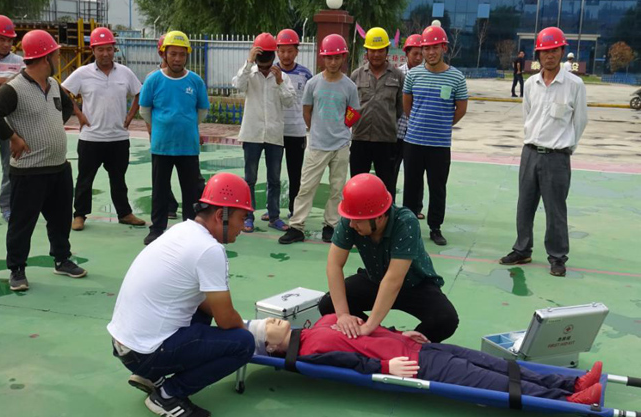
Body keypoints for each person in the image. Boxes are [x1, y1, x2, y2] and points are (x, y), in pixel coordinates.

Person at [108, 172, 255, 417]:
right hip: (146, 352)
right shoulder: (209, 249)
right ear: (221, 215)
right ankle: (168, 395)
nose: (243, 227)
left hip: (126, 345)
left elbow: (210, 305)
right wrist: (251, 332)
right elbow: (226, 319)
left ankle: (151, 377)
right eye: (242, 218)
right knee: (243, 344)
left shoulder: (183, 230)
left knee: (203, 305)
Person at [247, 314, 604, 405]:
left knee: (493, 364)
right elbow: (351, 364)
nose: (272, 321)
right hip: (415, 366)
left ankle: (571, 382)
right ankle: (568, 401)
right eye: (267, 329)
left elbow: (368, 328)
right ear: (271, 349)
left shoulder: (323, 322)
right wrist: (386, 368)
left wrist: (400, 332)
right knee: (489, 382)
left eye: (270, 320)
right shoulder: (308, 355)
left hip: (416, 346)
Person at [0, 30, 87, 291]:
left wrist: (51, 127)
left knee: (60, 220)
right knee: (22, 224)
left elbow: (65, 107)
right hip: (28, 171)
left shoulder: (53, 84)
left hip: (58, 168)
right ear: (46, 57)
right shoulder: (14, 88)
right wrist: (13, 137)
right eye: (55, 54)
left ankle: (62, 259)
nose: (57, 58)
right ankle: (17, 269)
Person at [318, 173, 458, 343]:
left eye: (358, 221)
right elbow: (334, 265)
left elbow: (393, 280)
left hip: (414, 285)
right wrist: (343, 316)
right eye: (351, 220)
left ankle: (406, 344)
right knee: (328, 304)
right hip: (375, 279)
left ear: (379, 217)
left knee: (446, 319)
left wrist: (369, 327)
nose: (352, 225)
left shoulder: (405, 222)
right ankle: (381, 339)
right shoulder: (351, 220)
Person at [499, 27, 588, 277]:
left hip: (557, 156)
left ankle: (557, 257)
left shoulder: (574, 85)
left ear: (562, 51)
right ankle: (522, 249)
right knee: (524, 205)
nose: (549, 55)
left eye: (554, 50)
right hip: (530, 153)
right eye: (545, 51)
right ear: (538, 54)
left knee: (555, 209)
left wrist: (566, 147)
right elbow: (528, 116)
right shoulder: (531, 84)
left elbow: (580, 121)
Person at [279, 34, 360, 245]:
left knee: (337, 188)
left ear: (343, 57)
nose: (333, 62)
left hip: (341, 145)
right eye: (329, 57)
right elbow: (307, 111)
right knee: (306, 187)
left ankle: (331, 225)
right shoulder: (313, 84)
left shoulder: (349, 86)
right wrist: (317, 128)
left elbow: (354, 112)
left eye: (337, 57)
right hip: (317, 144)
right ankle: (297, 226)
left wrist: (341, 127)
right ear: (322, 58)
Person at [61, 27, 145, 231]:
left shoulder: (125, 73)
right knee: (85, 179)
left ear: (114, 49)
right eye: (100, 49)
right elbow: (63, 91)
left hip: (118, 137)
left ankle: (124, 213)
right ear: (93, 50)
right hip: (91, 138)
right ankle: (79, 215)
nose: (105, 54)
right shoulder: (83, 73)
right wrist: (79, 114)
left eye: (109, 49)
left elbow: (139, 93)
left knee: (119, 179)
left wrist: (130, 115)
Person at [139, 30, 210, 245]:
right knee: (160, 190)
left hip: (188, 146)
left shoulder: (195, 81)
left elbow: (202, 111)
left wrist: (188, 125)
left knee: (191, 192)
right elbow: (145, 110)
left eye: (181, 54)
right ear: (164, 54)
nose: (177, 59)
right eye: (173, 54)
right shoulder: (153, 80)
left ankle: (191, 229)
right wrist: (161, 127)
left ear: (187, 55)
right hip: (162, 145)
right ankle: (157, 229)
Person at [402, 26, 468, 246]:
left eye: (435, 47)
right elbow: (407, 105)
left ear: (444, 48)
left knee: (437, 188)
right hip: (413, 142)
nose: (430, 52)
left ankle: (435, 227)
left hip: (439, 145)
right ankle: (409, 226)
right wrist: (419, 122)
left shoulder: (456, 77)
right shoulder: (413, 75)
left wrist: (442, 124)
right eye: (427, 48)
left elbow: (461, 109)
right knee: (411, 187)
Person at [233, 32, 296, 233]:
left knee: (274, 179)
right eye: (261, 63)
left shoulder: (282, 77)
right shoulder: (249, 74)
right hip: (252, 134)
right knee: (249, 178)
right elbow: (237, 85)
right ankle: (248, 217)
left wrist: (279, 83)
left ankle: (274, 216)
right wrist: (249, 62)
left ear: (273, 57)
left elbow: (290, 101)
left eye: (267, 63)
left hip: (274, 135)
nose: (264, 68)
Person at [349, 27, 404, 199]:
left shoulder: (398, 76)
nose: (376, 54)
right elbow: (350, 107)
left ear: (387, 51)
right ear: (366, 52)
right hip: (360, 139)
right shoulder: (356, 75)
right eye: (372, 50)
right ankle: (357, 215)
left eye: (380, 50)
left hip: (386, 141)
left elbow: (400, 108)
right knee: (357, 186)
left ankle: (388, 215)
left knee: (387, 187)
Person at [0, 15, 24, 222]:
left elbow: (19, 88)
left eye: (10, 40)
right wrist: (7, 83)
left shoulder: (19, 62)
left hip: (9, 121)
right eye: (2, 39)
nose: (6, 44)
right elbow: (10, 87)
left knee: (10, 166)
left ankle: (7, 207)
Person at [276, 28, 313, 219]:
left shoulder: (305, 74)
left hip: (297, 131)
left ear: (297, 51)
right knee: (273, 174)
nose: (286, 55)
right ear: (277, 51)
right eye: (282, 51)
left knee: (295, 173)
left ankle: (294, 208)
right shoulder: (271, 71)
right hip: (275, 131)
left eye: (290, 51)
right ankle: (272, 210)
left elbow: (311, 102)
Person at [396, 34, 423, 217]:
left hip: (417, 134)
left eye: (421, 54)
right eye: (415, 54)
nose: (419, 58)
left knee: (415, 174)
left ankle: (414, 208)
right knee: (391, 171)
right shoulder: (397, 74)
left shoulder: (427, 76)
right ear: (406, 53)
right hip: (397, 132)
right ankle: (389, 206)